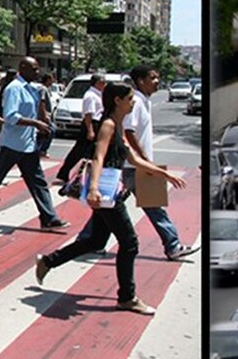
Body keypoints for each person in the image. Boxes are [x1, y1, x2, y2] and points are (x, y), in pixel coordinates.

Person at [35, 82, 187, 315]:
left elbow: (133, 159)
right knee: (130, 243)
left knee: (95, 241)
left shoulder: (117, 126)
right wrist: (94, 188)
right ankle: (127, 297)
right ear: (117, 100)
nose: (133, 101)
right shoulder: (107, 125)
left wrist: (162, 173)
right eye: (129, 98)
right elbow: (98, 157)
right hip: (105, 193)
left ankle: (48, 261)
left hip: (111, 192)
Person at [75, 65, 199, 260]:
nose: (157, 81)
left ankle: (87, 240)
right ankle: (172, 245)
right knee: (152, 205)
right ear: (141, 81)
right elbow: (128, 133)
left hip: (133, 165)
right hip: (131, 167)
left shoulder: (141, 101)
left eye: (158, 77)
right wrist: (144, 160)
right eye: (153, 77)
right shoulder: (135, 102)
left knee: (109, 206)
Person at [0, 57, 70, 230]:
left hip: (28, 144)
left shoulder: (32, 89)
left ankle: (49, 217)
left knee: (38, 181)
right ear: (23, 68)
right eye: (34, 69)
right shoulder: (14, 89)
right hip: (12, 144)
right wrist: (35, 124)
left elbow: (36, 109)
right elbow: (11, 116)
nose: (37, 72)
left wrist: (42, 118)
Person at [57, 74, 106, 183]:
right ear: (96, 82)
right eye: (102, 82)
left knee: (92, 152)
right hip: (91, 124)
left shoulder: (98, 94)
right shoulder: (91, 95)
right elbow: (88, 115)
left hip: (97, 123)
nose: (104, 84)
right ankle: (64, 173)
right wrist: (90, 130)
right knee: (79, 151)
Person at [34, 73, 55, 157]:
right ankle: (41, 150)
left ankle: (40, 149)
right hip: (44, 115)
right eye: (51, 79)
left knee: (44, 133)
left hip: (46, 115)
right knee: (51, 130)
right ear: (48, 80)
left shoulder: (46, 89)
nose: (53, 81)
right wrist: (44, 115)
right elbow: (42, 102)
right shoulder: (43, 89)